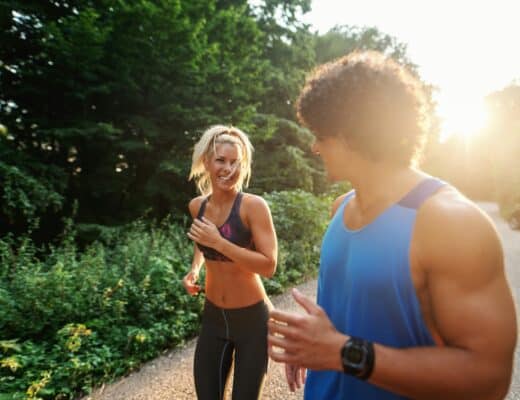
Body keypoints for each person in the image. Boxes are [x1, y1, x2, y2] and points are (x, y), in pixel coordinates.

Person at [267, 51, 517, 400]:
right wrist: (311, 344)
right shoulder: (340, 208)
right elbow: (358, 315)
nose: (314, 148)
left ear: (350, 135)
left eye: (320, 136)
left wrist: (340, 352)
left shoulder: (450, 222)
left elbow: (488, 379)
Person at [183, 125, 277, 399]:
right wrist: (194, 269)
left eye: (236, 162)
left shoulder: (253, 207)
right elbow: (202, 242)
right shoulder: (197, 206)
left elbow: (269, 265)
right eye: (221, 160)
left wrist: (220, 242)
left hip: (252, 321)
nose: (229, 168)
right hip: (213, 319)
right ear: (206, 163)